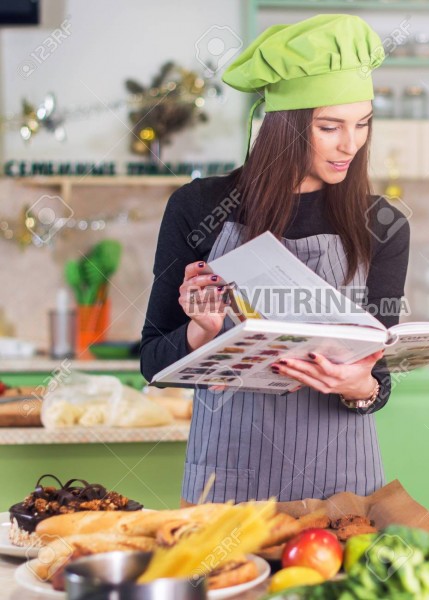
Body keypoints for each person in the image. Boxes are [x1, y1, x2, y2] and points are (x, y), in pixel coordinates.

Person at [140, 14, 410, 505]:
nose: (351, 144)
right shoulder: (198, 207)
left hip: (343, 493)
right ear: (285, 124)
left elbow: (379, 380)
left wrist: (360, 384)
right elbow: (153, 362)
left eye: (363, 123)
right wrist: (200, 332)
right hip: (226, 490)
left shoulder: (382, 224)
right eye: (330, 127)